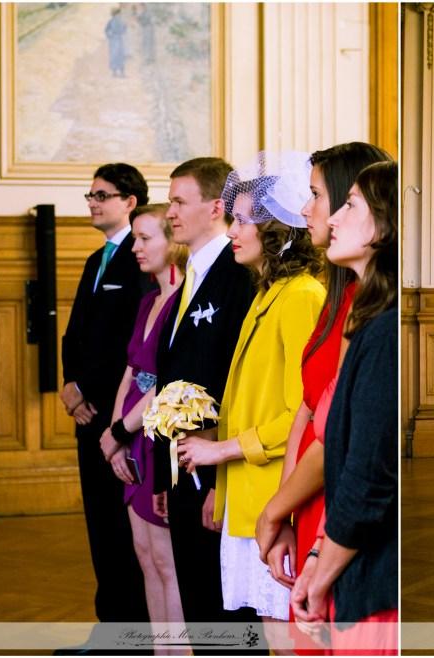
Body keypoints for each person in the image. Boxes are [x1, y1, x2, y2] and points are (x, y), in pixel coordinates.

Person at [176, 152, 326, 650]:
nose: (232, 230)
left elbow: (301, 417)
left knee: (286, 639)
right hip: (245, 496)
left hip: (272, 501)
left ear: (278, 233)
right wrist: (221, 484)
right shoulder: (267, 292)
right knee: (266, 637)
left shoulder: (302, 294)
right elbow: (249, 404)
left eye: (242, 221)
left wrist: (219, 451)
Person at [253, 142, 391, 650]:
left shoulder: (369, 310)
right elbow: (310, 409)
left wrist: (277, 512)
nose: (308, 210)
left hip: (338, 500)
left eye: (317, 195)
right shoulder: (337, 295)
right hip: (310, 498)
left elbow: (338, 434)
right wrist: (284, 512)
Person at [291, 160, 398, 654]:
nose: (332, 217)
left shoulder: (384, 332)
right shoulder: (368, 320)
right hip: (347, 555)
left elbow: (369, 475)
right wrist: (317, 555)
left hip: (376, 578)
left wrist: (319, 572)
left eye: (349, 204)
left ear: (386, 222)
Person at [152, 157, 254, 631]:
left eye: (178, 201)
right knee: (196, 600)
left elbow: (234, 381)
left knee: (221, 611)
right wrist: (161, 475)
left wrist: (219, 484)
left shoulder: (238, 274)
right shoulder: (188, 278)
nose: (169, 212)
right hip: (181, 471)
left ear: (217, 206)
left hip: (217, 471)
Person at [60, 163, 150, 627]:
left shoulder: (141, 255)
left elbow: (128, 344)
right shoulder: (97, 260)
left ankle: (130, 631)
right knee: (99, 525)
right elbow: (75, 334)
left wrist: (89, 391)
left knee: (122, 529)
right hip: (85, 412)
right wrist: (69, 385)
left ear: (129, 201)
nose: (92, 202)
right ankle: (109, 626)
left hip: (117, 413)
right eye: (90, 195)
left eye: (101, 195)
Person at [99, 203, 187, 640]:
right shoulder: (148, 300)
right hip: (130, 430)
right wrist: (114, 433)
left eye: (145, 238)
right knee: (144, 555)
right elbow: (131, 371)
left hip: (158, 434)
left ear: (173, 244)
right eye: (134, 238)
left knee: (169, 562)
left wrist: (123, 429)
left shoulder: (183, 303)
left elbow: (165, 381)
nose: (135, 247)